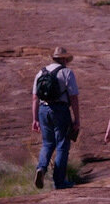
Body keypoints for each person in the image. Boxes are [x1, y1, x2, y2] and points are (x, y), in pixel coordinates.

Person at [31, 46, 81, 189]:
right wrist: (76, 119)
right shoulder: (67, 72)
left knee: (47, 143)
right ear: (64, 59)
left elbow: (35, 98)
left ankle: (41, 168)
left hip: (43, 109)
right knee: (62, 145)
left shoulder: (41, 72)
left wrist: (34, 119)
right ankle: (59, 182)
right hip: (60, 110)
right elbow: (73, 97)